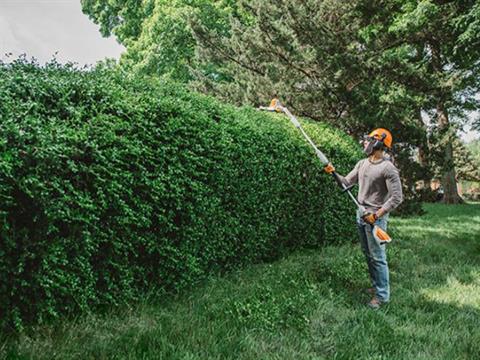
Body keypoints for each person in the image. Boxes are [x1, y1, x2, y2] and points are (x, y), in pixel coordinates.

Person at [324, 128, 403, 309]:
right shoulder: (362, 164)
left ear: (378, 143)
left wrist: (376, 215)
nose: (364, 142)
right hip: (361, 214)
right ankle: (376, 286)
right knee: (368, 254)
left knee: (377, 257)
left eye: (368, 140)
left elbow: (397, 197)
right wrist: (333, 172)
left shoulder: (388, 168)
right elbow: (346, 182)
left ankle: (382, 296)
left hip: (376, 218)